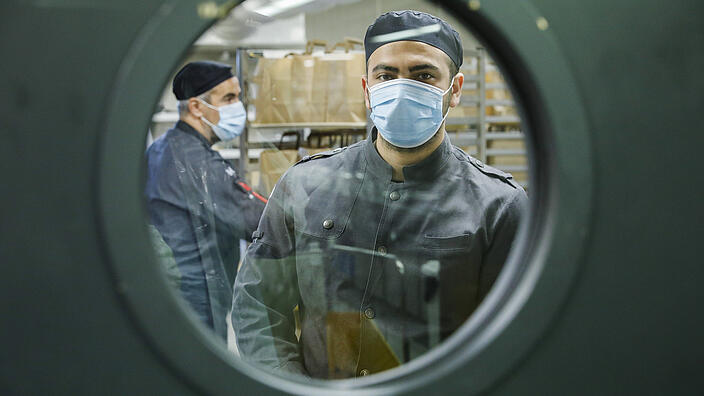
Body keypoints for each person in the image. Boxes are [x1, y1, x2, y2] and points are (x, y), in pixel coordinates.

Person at [232, 10, 528, 378]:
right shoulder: (304, 184)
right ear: (367, 90)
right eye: (386, 75)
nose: (402, 89)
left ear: (454, 90)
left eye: (423, 75)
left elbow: (510, 340)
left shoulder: (499, 206)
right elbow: (258, 306)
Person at [146, 61, 267, 340]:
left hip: (171, 291)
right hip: (197, 297)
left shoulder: (163, 148)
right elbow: (255, 219)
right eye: (228, 98)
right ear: (197, 107)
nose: (238, 106)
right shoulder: (197, 161)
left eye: (238, 97)